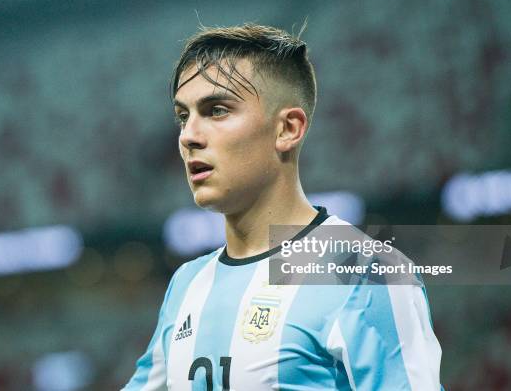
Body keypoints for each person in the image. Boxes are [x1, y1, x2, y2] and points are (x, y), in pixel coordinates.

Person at [122, 23, 443, 390]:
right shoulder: (187, 284)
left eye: (217, 110)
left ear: (288, 129)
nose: (188, 136)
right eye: (183, 116)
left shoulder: (366, 272)